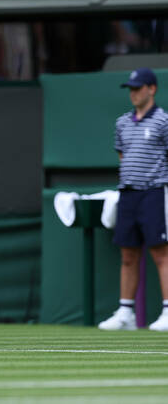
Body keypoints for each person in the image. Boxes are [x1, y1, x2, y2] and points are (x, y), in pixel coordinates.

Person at [98, 68, 168, 331]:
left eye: (138, 88)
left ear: (152, 89)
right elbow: (123, 158)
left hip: (154, 193)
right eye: (131, 89)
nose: (134, 94)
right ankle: (125, 312)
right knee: (128, 254)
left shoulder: (163, 121)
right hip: (127, 194)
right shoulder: (122, 123)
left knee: (161, 254)